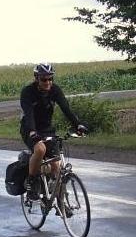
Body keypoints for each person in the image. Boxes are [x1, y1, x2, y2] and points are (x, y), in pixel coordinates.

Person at [20, 63, 88, 199]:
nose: (48, 82)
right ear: (36, 78)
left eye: (50, 79)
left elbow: (66, 109)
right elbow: (29, 114)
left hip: (47, 129)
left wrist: (78, 125)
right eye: (44, 79)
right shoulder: (28, 92)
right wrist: (33, 132)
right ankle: (32, 182)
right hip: (29, 128)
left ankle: (61, 202)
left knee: (56, 166)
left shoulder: (55, 90)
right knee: (40, 150)